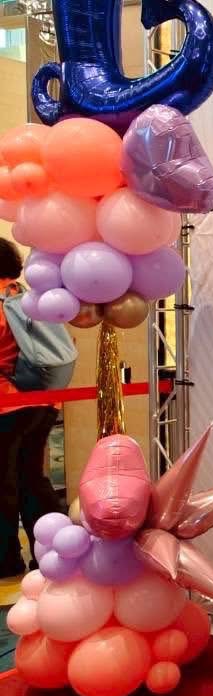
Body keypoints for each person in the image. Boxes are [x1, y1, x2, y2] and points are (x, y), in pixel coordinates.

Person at [0, 238, 64, 577]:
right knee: (32, 478)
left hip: (7, 403)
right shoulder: (27, 296)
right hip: (45, 399)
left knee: (3, 483)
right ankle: (53, 552)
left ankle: (6, 560)